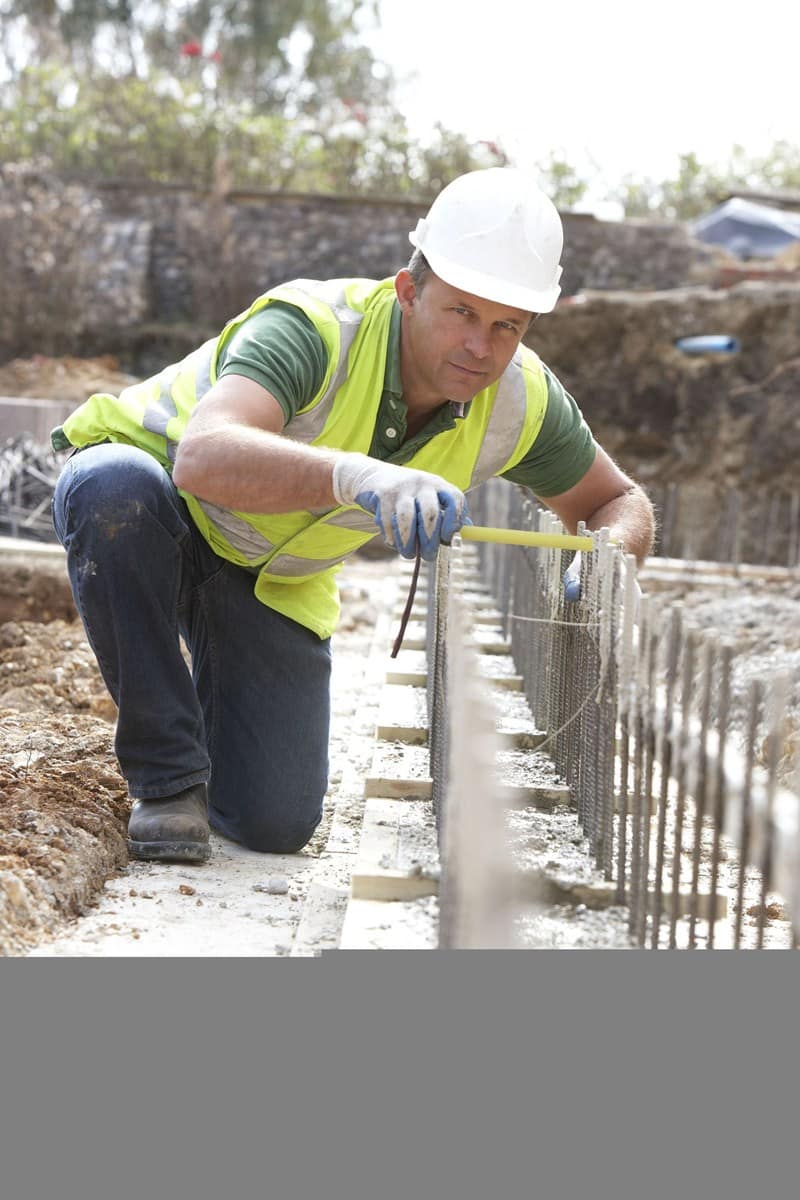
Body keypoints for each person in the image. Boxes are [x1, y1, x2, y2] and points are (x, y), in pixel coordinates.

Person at [51, 167, 654, 865]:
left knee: (275, 821)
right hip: (163, 505)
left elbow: (620, 500)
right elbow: (204, 457)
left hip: (267, 573)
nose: (480, 348)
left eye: (506, 326)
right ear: (409, 290)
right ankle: (166, 776)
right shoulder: (314, 329)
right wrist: (358, 475)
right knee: (111, 489)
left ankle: (209, 706)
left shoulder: (523, 402)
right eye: (460, 312)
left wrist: (607, 557)